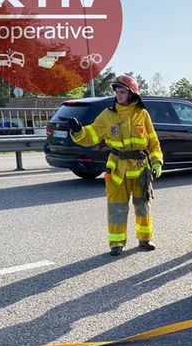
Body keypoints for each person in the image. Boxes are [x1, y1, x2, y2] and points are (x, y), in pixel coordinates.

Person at [67, 75, 164, 256]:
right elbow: (92, 134)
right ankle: (116, 243)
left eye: (122, 92)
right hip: (117, 169)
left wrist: (157, 161)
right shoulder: (107, 115)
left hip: (140, 168)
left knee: (143, 206)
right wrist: (78, 131)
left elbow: (153, 141)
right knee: (116, 207)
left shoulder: (142, 114)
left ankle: (145, 238)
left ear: (132, 94)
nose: (119, 95)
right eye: (117, 92)